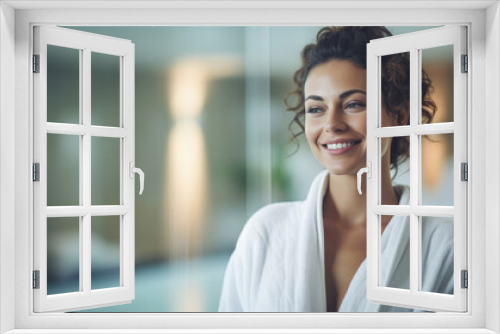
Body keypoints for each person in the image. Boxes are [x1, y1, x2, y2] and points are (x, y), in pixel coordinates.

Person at [218, 27, 454, 312]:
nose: (332, 124)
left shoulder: (442, 247)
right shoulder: (265, 233)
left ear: (399, 115)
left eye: (353, 104)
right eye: (316, 109)